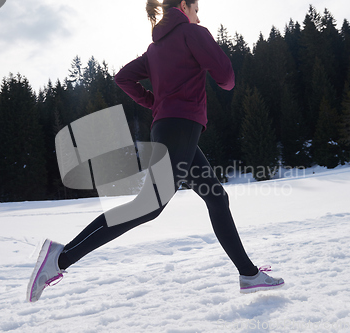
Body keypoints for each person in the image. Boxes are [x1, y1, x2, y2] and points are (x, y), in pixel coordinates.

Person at [27, 0, 284, 303]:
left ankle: (248, 274)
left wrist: (156, 102)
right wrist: (205, 46)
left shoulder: (154, 49)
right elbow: (227, 79)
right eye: (196, 9)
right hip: (181, 128)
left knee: (216, 196)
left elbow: (123, 77)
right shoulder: (193, 33)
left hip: (168, 129)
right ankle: (60, 259)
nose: (198, 16)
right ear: (185, 6)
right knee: (147, 206)